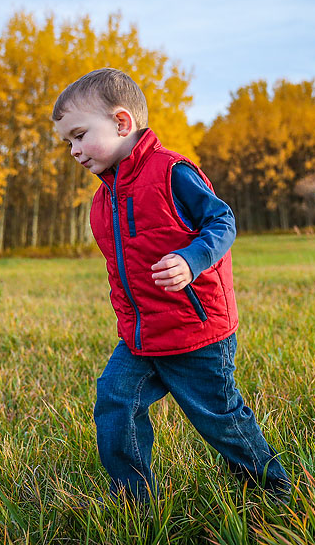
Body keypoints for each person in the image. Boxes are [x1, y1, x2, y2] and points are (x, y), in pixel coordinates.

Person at [52, 68, 290, 503]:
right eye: (68, 142)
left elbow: (222, 221)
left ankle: (275, 491)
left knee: (219, 418)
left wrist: (190, 259)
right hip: (142, 337)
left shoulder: (172, 172)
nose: (74, 150)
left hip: (195, 333)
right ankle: (132, 498)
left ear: (122, 123)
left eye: (80, 135)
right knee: (115, 400)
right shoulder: (104, 198)